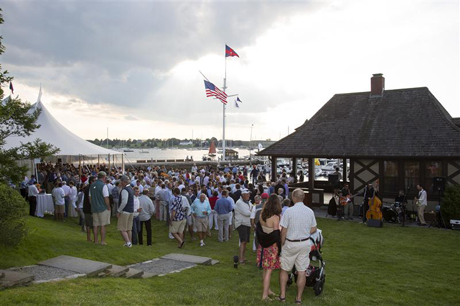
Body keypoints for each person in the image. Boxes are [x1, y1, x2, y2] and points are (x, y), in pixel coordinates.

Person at [279, 188, 317, 304]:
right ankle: (298, 299)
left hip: (291, 243)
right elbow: (314, 228)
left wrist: (282, 243)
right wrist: (305, 233)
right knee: (301, 271)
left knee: (284, 269)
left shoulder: (289, 211)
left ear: (293, 198)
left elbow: (283, 230)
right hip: (304, 243)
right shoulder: (310, 211)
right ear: (303, 198)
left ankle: (283, 296)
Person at [256, 194, 282, 301]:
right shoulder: (275, 218)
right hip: (271, 247)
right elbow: (276, 234)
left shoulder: (262, 214)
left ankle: (268, 290)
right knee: (269, 270)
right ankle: (264, 296)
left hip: (262, 245)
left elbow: (260, 227)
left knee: (265, 269)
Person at [89, 171, 111, 245]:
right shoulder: (103, 185)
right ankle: (102, 241)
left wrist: (92, 204)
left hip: (94, 208)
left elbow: (90, 197)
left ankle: (95, 240)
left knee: (95, 225)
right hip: (102, 208)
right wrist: (108, 207)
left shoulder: (92, 185)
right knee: (103, 225)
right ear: (104, 177)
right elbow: (106, 198)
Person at [234, 189, 252, 264]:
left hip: (247, 223)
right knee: (243, 241)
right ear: (243, 195)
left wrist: (251, 210)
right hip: (241, 223)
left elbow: (249, 211)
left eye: (249, 194)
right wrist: (252, 210)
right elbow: (247, 213)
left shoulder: (248, 202)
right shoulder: (239, 203)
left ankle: (243, 257)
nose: (248, 195)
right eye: (247, 194)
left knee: (245, 241)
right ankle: (241, 258)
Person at [117, 175, 134, 247]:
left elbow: (124, 201)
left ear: (123, 182)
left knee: (122, 228)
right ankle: (129, 241)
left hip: (125, 211)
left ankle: (128, 242)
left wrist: (119, 210)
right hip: (131, 210)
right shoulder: (130, 188)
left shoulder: (125, 190)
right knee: (129, 228)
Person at [83, 176, 95, 242]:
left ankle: (89, 238)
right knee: (92, 224)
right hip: (89, 208)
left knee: (88, 224)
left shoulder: (88, 188)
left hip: (86, 208)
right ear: (91, 181)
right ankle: (92, 238)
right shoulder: (90, 188)